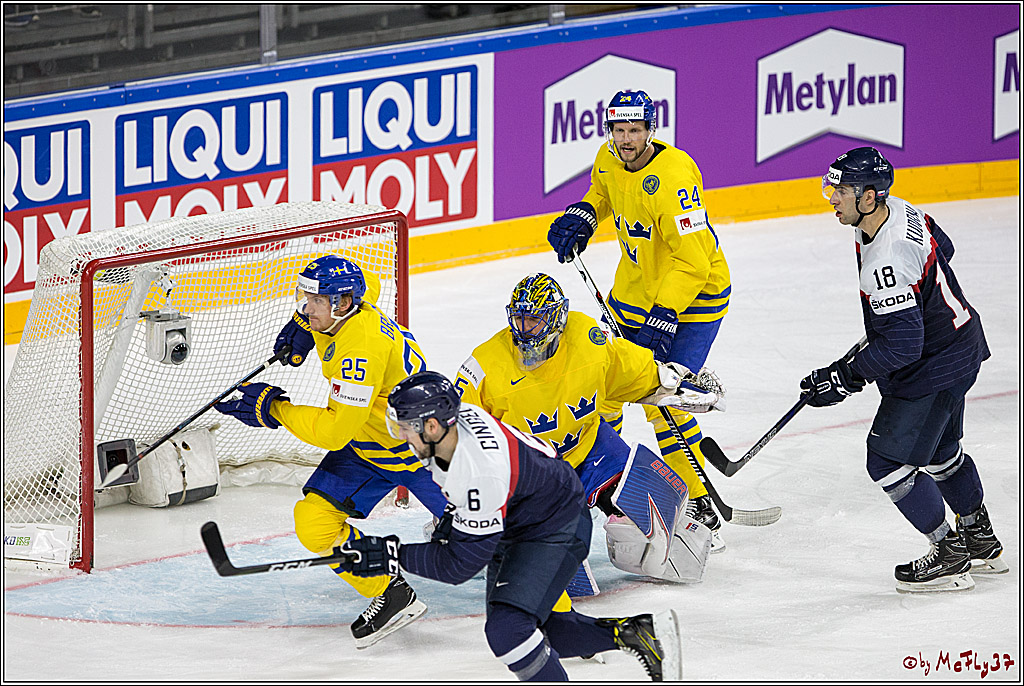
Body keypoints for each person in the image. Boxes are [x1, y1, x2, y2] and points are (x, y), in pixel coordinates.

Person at [338, 370, 683, 681]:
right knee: (543, 631)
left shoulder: (474, 470)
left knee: (509, 632)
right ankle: (641, 634)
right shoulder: (456, 427)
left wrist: (387, 554)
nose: (401, 436)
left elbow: (459, 565)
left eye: (406, 427)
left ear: (431, 426)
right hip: (528, 516)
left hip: (555, 523)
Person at [213, 255, 449, 645]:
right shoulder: (354, 302)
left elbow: (336, 431)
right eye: (304, 299)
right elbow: (366, 280)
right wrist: (305, 327)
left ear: (341, 303)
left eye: (315, 302)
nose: (306, 309)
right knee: (313, 520)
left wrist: (274, 409)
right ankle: (389, 592)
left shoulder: (361, 346)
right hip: (371, 443)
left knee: (496, 541)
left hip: (422, 452)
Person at [806, 147, 1007, 593]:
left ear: (869, 196)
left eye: (841, 191)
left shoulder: (887, 255)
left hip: (932, 366)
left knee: (885, 461)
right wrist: (911, 310)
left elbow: (902, 344)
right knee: (940, 454)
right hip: (960, 346)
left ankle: (949, 552)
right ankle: (980, 539)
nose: (831, 198)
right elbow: (944, 249)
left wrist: (845, 376)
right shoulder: (900, 211)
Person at [546, 89, 731, 551]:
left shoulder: (673, 178)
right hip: (632, 293)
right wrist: (583, 216)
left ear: (651, 129)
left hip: (694, 298)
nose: (626, 139)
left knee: (659, 399)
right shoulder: (608, 159)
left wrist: (665, 314)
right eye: (619, 130)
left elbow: (695, 261)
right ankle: (607, 478)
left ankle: (698, 503)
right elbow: (603, 193)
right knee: (607, 386)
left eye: (635, 130)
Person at [454, 272, 723, 585]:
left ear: (557, 320)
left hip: (590, 445)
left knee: (655, 501)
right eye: (519, 319)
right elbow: (456, 433)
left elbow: (632, 371)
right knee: (549, 575)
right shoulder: (484, 366)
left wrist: (675, 385)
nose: (524, 331)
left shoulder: (589, 337)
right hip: (530, 474)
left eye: (535, 321)